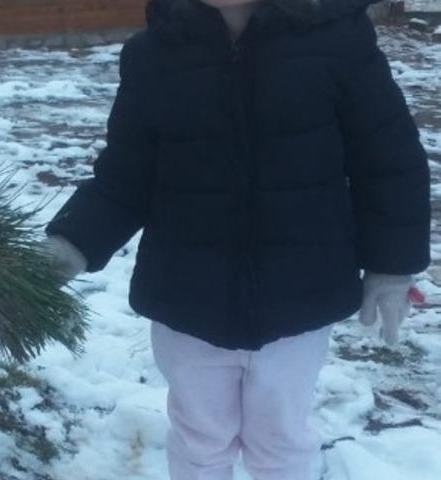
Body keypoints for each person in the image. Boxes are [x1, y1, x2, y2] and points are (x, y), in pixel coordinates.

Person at [42, 0, 430, 479]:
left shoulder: (337, 40)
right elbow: (125, 176)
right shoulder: (153, 55)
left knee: (280, 439)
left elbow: (388, 157)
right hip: (188, 293)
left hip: (300, 290)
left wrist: (391, 265)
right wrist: (71, 243)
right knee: (199, 438)